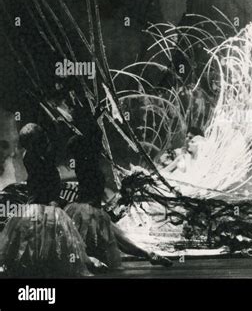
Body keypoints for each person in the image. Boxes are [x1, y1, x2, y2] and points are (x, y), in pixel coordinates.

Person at [65, 103, 172, 268]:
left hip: (89, 210)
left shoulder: (83, 150)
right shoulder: (87, 152)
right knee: (112, 241)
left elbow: (89, 137)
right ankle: (146, 255)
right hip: (88, 210)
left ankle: (147, 255)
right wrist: (91, 118)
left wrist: (90, 118)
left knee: (111, 240)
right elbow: (93, 136)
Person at [0, 123, 103, 276]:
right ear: (36, 144)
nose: (46, 141)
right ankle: (82, 259)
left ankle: (81, 258)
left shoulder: (40, 155)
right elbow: (43, 183)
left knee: (56, 233)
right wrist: (53, 200)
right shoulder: (33, 158)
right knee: (46, 231)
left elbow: (50, 181)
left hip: (45, 199)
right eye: (42, 140)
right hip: (41, 201)